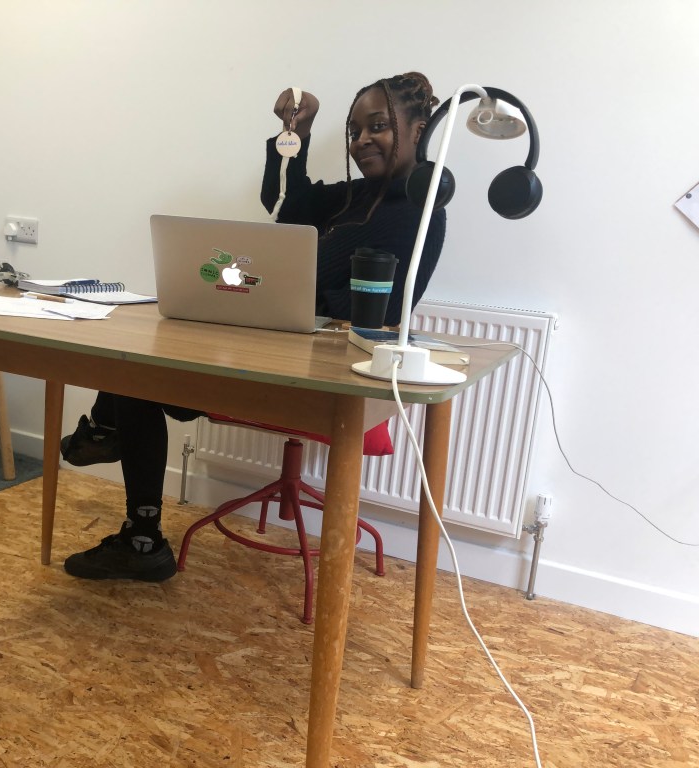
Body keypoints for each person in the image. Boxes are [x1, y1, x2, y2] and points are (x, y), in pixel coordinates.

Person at [61, 72, 446, 582]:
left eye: (378, 126)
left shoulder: (422, 212)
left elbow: (384, 308)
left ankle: (114, 457)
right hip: (273, 340)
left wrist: (292, 297)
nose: (361, 141)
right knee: (142, 350)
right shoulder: (352, 197)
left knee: (136, 380)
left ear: (419, 130)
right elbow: (283, 202)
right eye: (354, 131)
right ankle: (132, 508)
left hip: (322, 370)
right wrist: (296, 133)